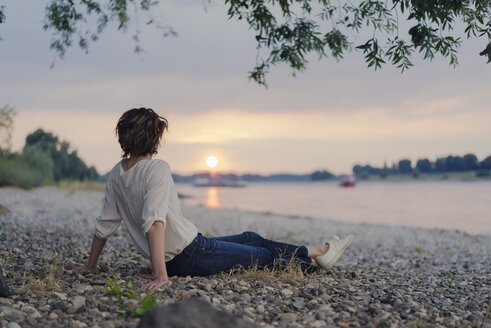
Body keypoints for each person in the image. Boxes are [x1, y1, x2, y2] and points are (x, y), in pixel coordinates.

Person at [77, 108, 355, 291]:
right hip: (187, 256)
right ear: (153, 138)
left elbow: (105, 224)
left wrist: (91, 267)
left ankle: (316, 250)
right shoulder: (157, 168)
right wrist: (160, 276)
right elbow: (154, 224)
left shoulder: (117, 172)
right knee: (262, 257)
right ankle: (315, 263)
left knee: (250, 237)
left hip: (192, 246)